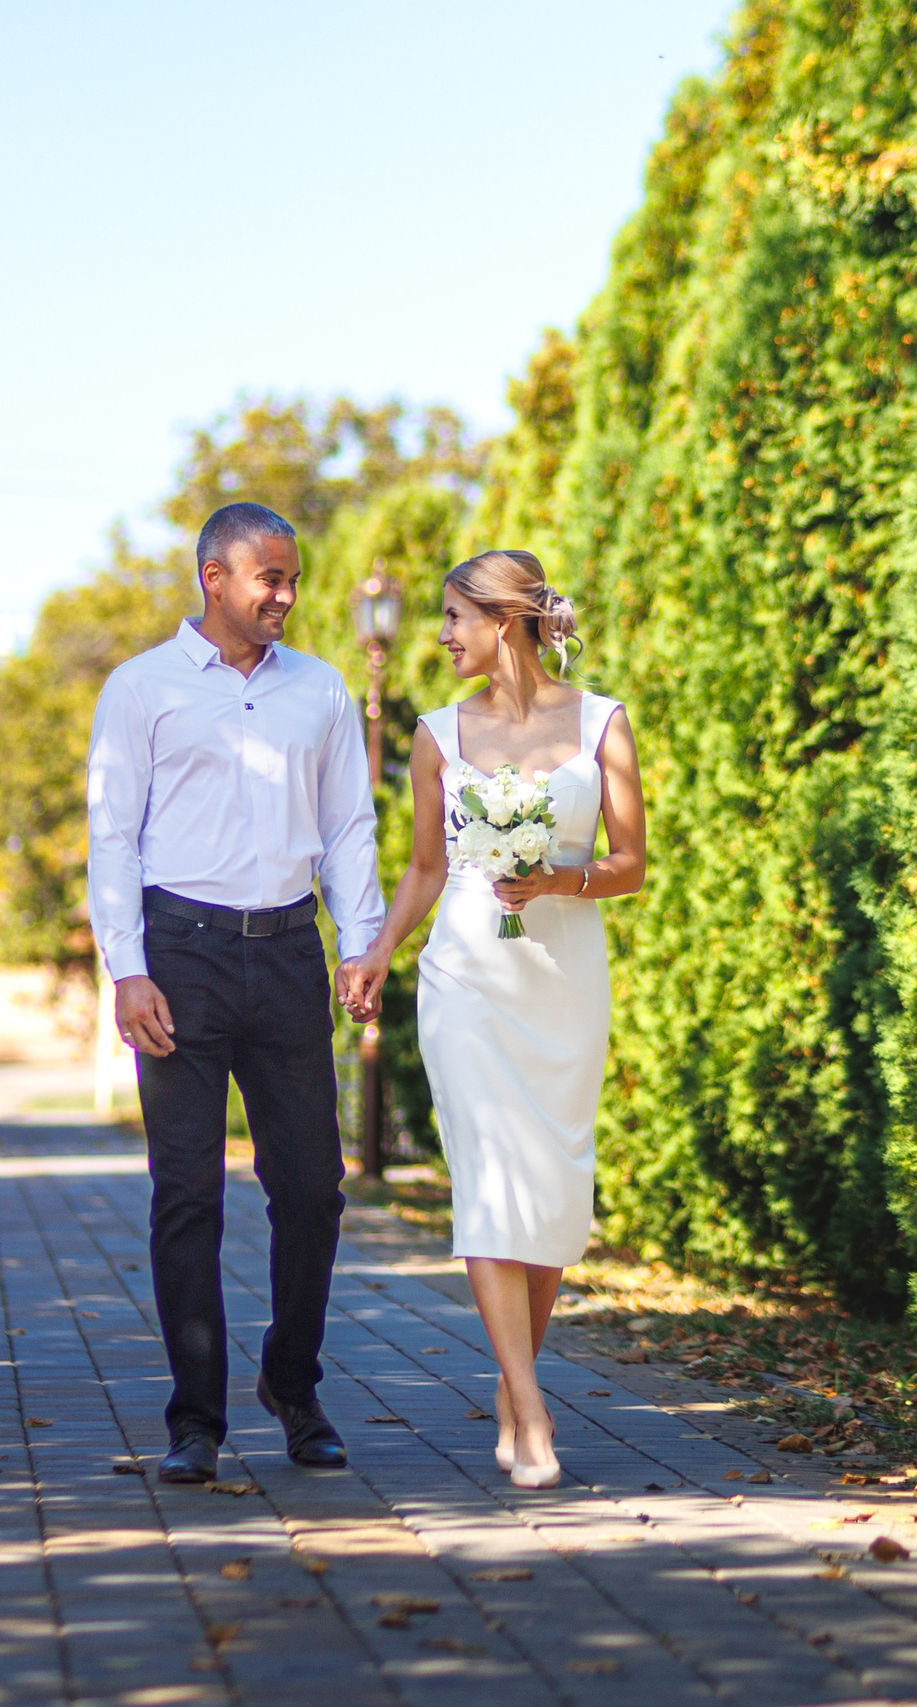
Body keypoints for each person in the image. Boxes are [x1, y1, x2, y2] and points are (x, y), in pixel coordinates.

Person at [87, 501, 385, 1482]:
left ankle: (291, 1385)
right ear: (214, 579)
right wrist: (126, 968)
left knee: (311, 1190)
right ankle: (195, 1422)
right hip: (179, 955)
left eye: (293, 580)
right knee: (189, 1196)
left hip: (289, 950)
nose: (287, 598)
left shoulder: (322, 691)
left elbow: (347, 828)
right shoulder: (140, 690)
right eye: (271, 579)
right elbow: (112, 838)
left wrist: (362, 943)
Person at [344, 550, 647, 1488]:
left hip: (564, 975)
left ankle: (516, 1391)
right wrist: (381, 948)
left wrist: (561, 876)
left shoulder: (603, 723)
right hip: (466, 975)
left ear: (505, 620)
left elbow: (631, 861)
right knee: (485, 1182)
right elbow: (427, 868)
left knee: (551, 1194)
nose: (441, 634)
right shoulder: (437, 734)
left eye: (454, 617)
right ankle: (530, 1405)